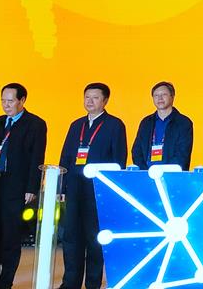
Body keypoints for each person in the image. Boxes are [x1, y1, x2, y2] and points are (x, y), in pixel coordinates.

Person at [58, 83, 127, 289]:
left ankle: (92, 284)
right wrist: (61, 187)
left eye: (95, 98)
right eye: (87, 97)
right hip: (74, 189)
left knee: (95, 241)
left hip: (97, 192)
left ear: (105, 101)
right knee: (71, 238)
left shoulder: (115, 125)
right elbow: (65, 157)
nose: (89, 101)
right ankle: (70, 283)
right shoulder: (76, 125)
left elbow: (119, 159)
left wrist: (111, 190)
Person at [0, 83, 47, 289]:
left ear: (22, 100)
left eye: (10, 101)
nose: (5, 105)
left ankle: (5, 281)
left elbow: (37, 157)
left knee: (10, 236)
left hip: (16, 186)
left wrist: (32, 187)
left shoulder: (35, 124)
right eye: (3, 101)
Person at [132, 81, 194, 170]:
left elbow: (182, 154)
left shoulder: (183, 123)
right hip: (146, 173)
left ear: (172, 97)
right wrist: (145, 171)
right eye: (156, 95)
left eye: (164, 94)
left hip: (172, 174)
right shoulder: (146, 122)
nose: (160, 98)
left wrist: (165, 171)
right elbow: (137, 151)